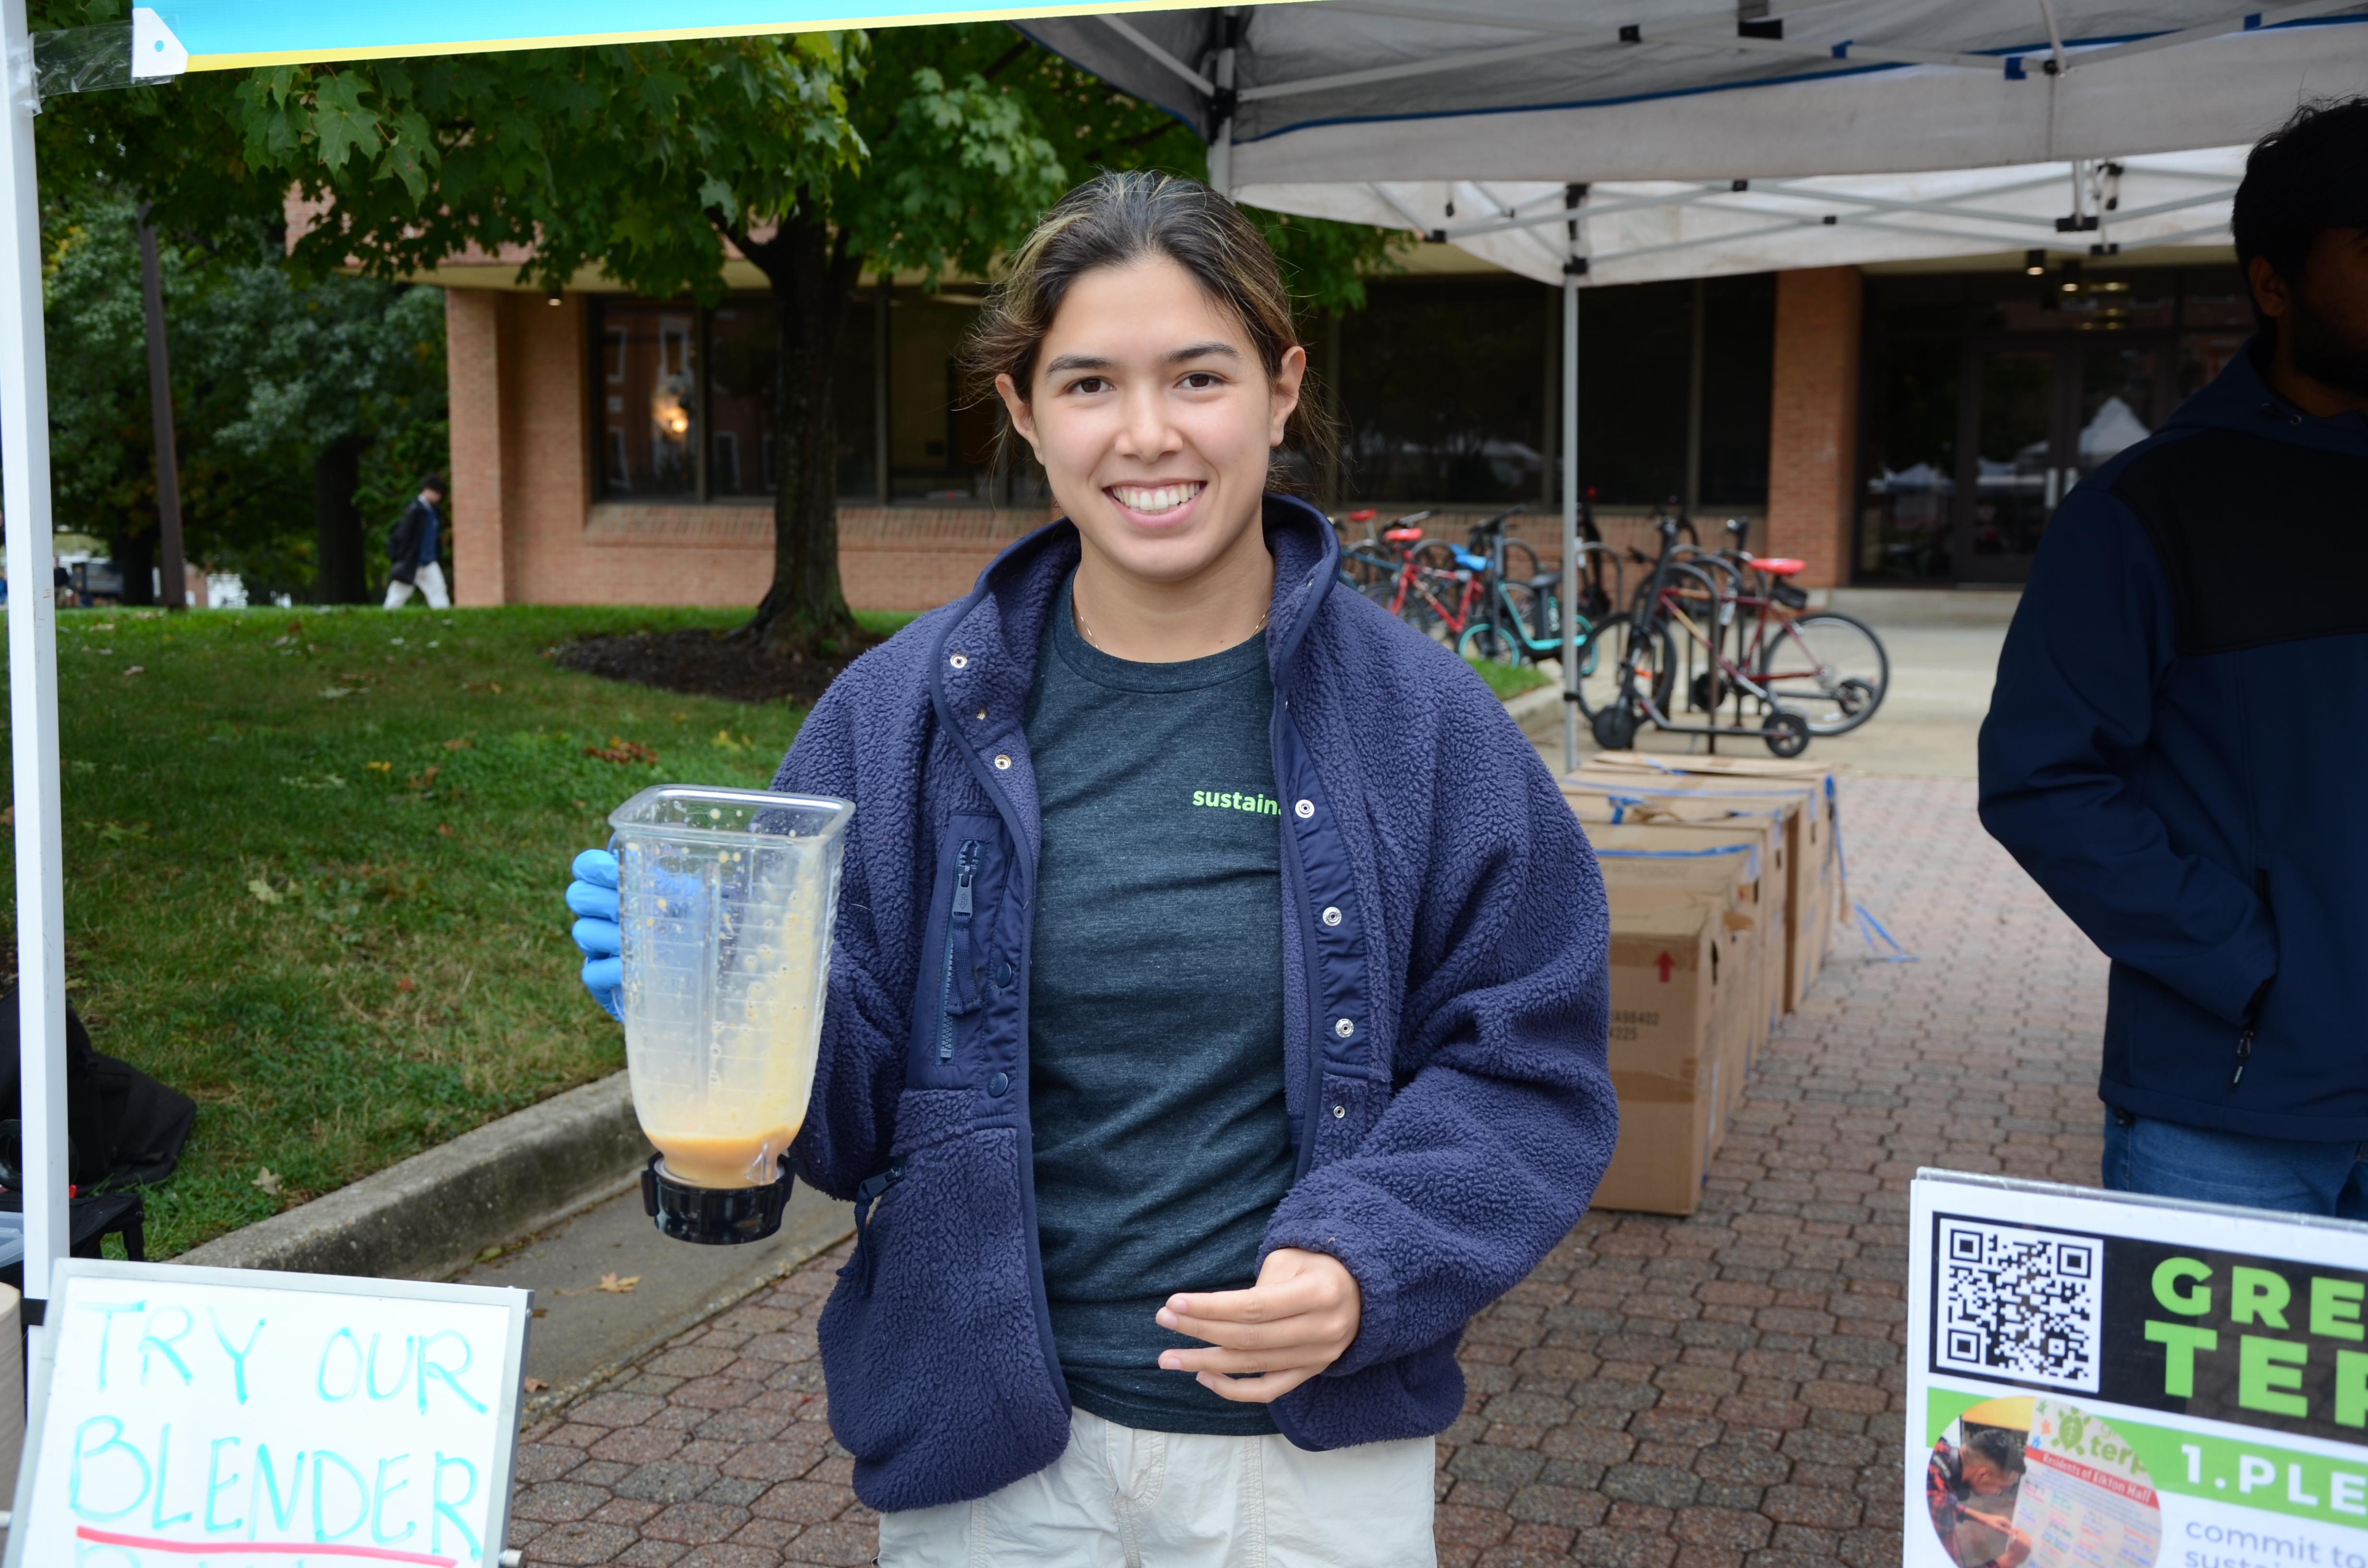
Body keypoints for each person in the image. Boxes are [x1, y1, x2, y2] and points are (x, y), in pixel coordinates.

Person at [566, 172, 1616, 1564]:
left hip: (1298, 1478)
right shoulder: (898, 719)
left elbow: (1528, 1059)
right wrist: (725, 1009)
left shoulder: (1421, 727)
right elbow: (854, 1117)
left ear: (1282, 388)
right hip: (991, 1463)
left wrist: (1377, 1259)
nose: (1147, 435)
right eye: (1087, 385)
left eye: (1198, 377)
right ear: (1019, 411)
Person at [1979, 96, 2368, 1213]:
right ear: (2273, 282)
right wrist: (2250, 969)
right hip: (2228, 1116)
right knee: (2201, 1404)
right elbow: (2045, 779)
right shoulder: (2146, 510)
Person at [1926, 1428, 2031, 1568]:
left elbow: (1938, 1506)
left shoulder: (1939, 1446)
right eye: (2001, 1488)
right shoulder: (1940, 1498)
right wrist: (2011, 1559)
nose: (1998, 1493)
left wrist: (1978, 1516)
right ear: (1983, 1475)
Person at [384, 475, 449, 609]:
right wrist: (403, 558)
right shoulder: (415, 510)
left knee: (438, 590)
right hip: (412, 561)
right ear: (428, 490)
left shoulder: (433, 511)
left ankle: (445, 620)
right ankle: (387, 616)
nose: (439, 498)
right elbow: (403, 537)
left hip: (429, 561)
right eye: (438, 493)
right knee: (399, 593)